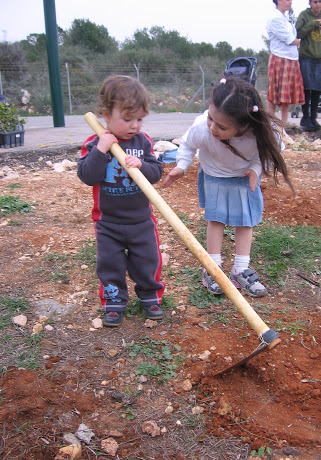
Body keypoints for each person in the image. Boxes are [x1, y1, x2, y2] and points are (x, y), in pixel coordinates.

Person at [162, 77, 293, 298]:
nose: (213, 127)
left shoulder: (263, 133)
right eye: (211, 119)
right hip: (214, 176)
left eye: (222, 126)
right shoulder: (202, 129)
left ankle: (240, 269)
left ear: (245, 125)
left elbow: (271, 154)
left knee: (245, 220)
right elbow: (187, 144)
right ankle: (212, 269)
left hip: (244, 177)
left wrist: (255, 169)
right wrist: (182, 166)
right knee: (216, 218)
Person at [78, 75, 165, 327]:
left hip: (141, 220)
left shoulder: (143, 142)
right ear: (106, 114)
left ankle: (150, 296)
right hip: (108, 222)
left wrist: (142, 165)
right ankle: (114, 302)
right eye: (127, 119)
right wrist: (101, 149)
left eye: (139, 119)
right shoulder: (93, 144)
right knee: (110, 263)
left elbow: (156, 172)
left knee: (148, 259)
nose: (134, 125)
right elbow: (87, 176)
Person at [296, 0, 321, 131]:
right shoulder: (304, 15)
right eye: (315, 2)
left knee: (318, 89)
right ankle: (305, 117)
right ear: (310, 3)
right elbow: (298, 33)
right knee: (306, 88)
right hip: (306, 57)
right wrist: (312, 24)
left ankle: (314, 117)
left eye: (320, 1)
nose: (318, 4)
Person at [266, 0, 305, 128]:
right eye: (287, 0)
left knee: (287, 92)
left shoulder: (285, 19)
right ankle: (270, 121)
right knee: (274, 91)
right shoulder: (275, 18)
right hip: (280, 58)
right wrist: (304, 41)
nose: (290, 2)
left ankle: (283, 121)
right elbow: (290, 40)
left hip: (291, 58)